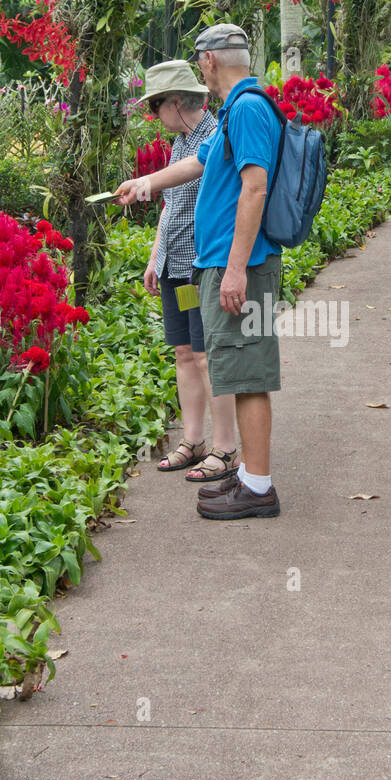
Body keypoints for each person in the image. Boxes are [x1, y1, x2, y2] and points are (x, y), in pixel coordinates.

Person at [115, 23, 283, 520]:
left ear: (208, 61)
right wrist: (143, 182)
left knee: (248, 374)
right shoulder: (235, 111)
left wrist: (234, 270)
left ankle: (256, 487)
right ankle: (251, 478)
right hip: (218, 265)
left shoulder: (247, 108)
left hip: (242, 268)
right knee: (238, 370)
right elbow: (194, 167)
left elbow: (255, 189)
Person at [139, 60, 239, 483]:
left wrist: (145, 182)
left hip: (201, 268)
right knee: (184, 353)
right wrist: (154, 256)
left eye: (156, 104)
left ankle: (226, 447)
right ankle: (193, 440)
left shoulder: (212, 138)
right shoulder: (180, 143)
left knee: (205, 356)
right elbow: (171, 207)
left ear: (177, 101)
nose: (153, 114)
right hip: (175, 269)